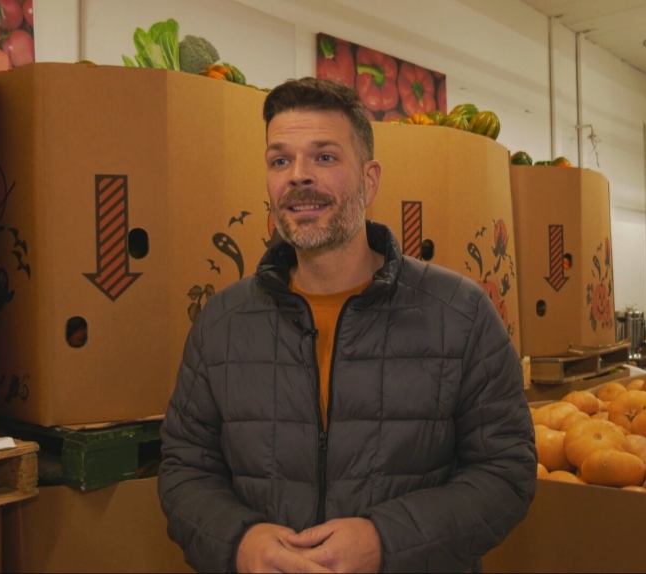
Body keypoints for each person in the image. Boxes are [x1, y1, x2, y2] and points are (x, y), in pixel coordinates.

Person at [158, 76, 536, 573]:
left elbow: (505, 474)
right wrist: (239, 542)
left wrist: (385, 540)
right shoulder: (222, 324)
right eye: (280, 160)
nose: (298, 176)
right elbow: (185, 470)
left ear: (370, 179)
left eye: (324, 157)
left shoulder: (459, 315)